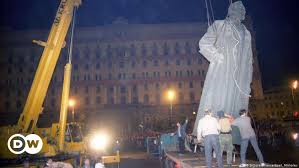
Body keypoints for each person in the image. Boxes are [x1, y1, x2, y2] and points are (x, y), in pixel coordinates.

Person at [193, 1, 253, 135]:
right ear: (231, 11)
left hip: (239, 76)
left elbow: (249, 58)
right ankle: (211, 133)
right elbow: (204, 43)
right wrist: (217, 57)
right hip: (222, 71)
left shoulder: (246, 33)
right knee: (219, 99)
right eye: (237, 9)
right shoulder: (219, 25)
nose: (241, 11)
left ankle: (233, 134)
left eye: (242, 9)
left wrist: (248, 77)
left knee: (236, 104)